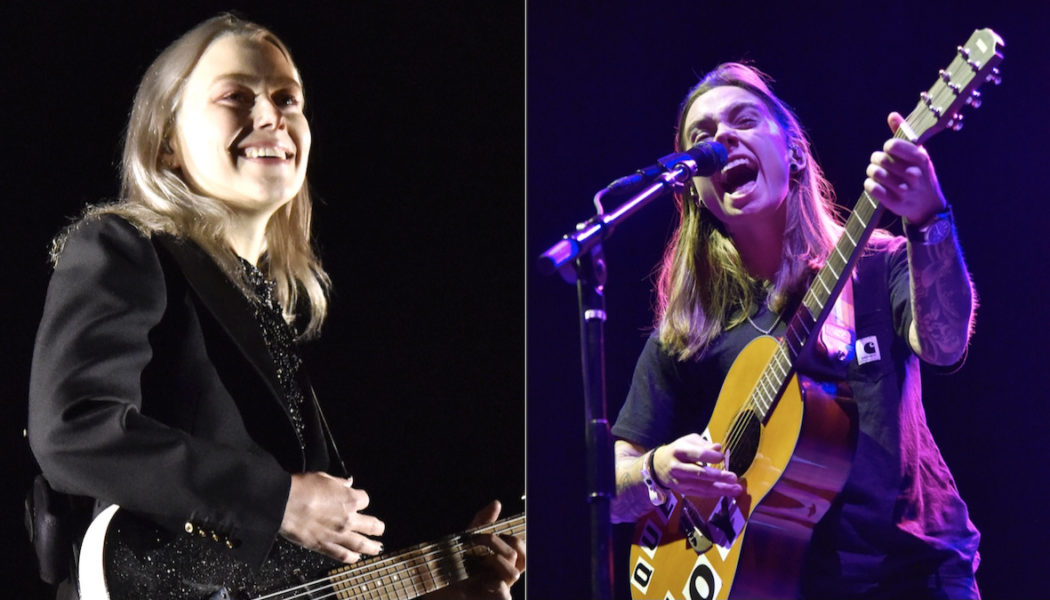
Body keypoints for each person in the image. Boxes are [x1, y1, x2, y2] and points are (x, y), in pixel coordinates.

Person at [27, 13, 524, 600]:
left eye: (288, 99)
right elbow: (74, 429)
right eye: (235, 96)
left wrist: (445, 591)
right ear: (166, 144)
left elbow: (287, 584)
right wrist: (279, 501)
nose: (271, 116)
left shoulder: (260, 301)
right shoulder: (124, 245)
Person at [609, 62, 980, 598]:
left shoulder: (877, 266)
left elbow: (945, 345)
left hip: (915, 573)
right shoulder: (688, 330)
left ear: (795, 153)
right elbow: (611, 488)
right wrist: (656, 468)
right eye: (702, 136)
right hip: (776, 584)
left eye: (743, 120)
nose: (722, 138)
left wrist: (928, 219)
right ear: (693, 189)